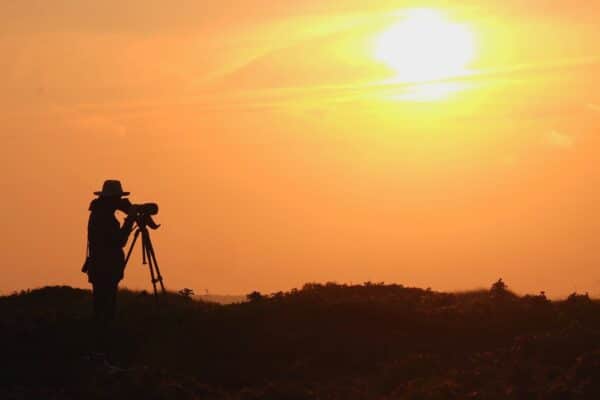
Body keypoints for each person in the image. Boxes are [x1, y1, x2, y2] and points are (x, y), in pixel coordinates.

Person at [84, 180, 135, 322]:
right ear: (111, 199)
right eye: (117, 198)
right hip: (106, 268)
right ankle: (105, 337)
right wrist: (130, 220)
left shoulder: (98, 213)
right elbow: (119, 241)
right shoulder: (104, 217)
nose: (119, 201)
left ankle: (102, 336)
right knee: (106, 310)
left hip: (99, 267)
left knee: (101, 308)